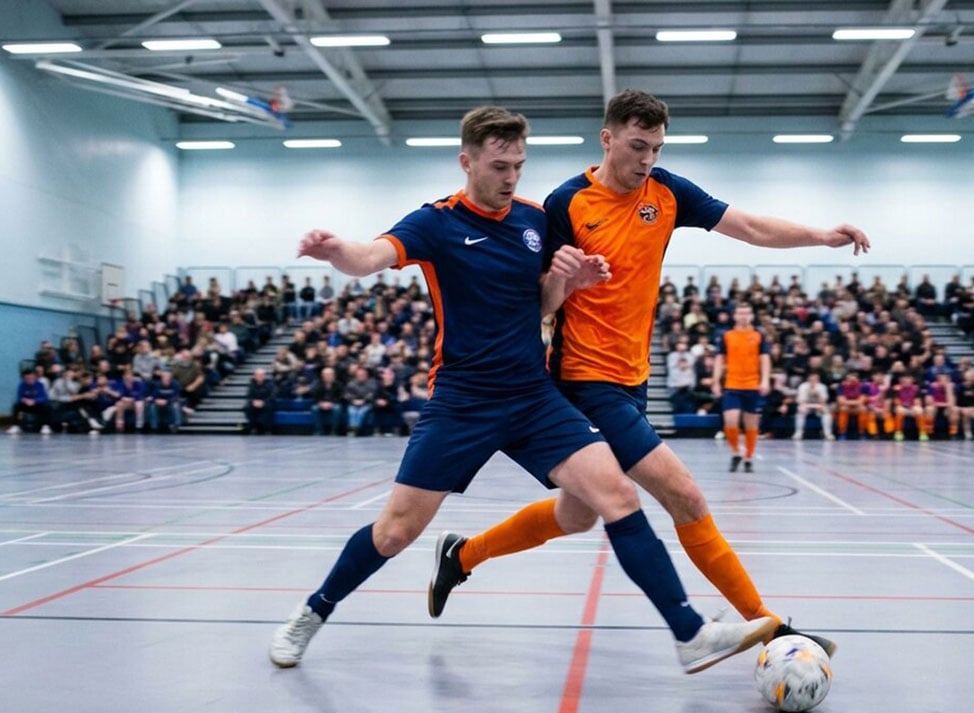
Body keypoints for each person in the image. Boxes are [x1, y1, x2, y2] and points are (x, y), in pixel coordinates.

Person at [268, 105, 775, 673]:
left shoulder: (533, 221)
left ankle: (690, 634)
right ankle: (312, 611)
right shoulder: (435, 222)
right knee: (395, 532)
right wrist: (336, 251)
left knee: (617, 496)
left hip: (534, 398)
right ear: (467, 162)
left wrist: (567, 282)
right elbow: (369, 258)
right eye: (499, 166)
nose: (511, 178)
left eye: (518, 166)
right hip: (463, 402)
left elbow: (541, 304)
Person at [428, 90, 869, 656]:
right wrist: (561, 283)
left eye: (656, 148)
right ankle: (769, 627)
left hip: (632, 379)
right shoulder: (567, 203)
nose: (647, 159)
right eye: (637, 146)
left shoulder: (667, 192)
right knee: (684, 494)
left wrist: (820, 235)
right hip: (585, 381)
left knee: (576, 515)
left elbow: (749, 226)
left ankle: (462, 554)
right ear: (607, 138)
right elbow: (539, 295)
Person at [712, 301, 771, 471]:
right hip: (732, 384)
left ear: (751, 316)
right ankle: (736, 451)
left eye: (747, 313)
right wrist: (716, 381)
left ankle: (749, 458)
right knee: (730, 419)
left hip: (752, 384)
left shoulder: (758, 335)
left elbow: (765, 359)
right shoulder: (727, 335)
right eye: (740, 313)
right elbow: (719, 359)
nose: (744, 316)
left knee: (751, 424)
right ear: (735, 316)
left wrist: (765, 380)